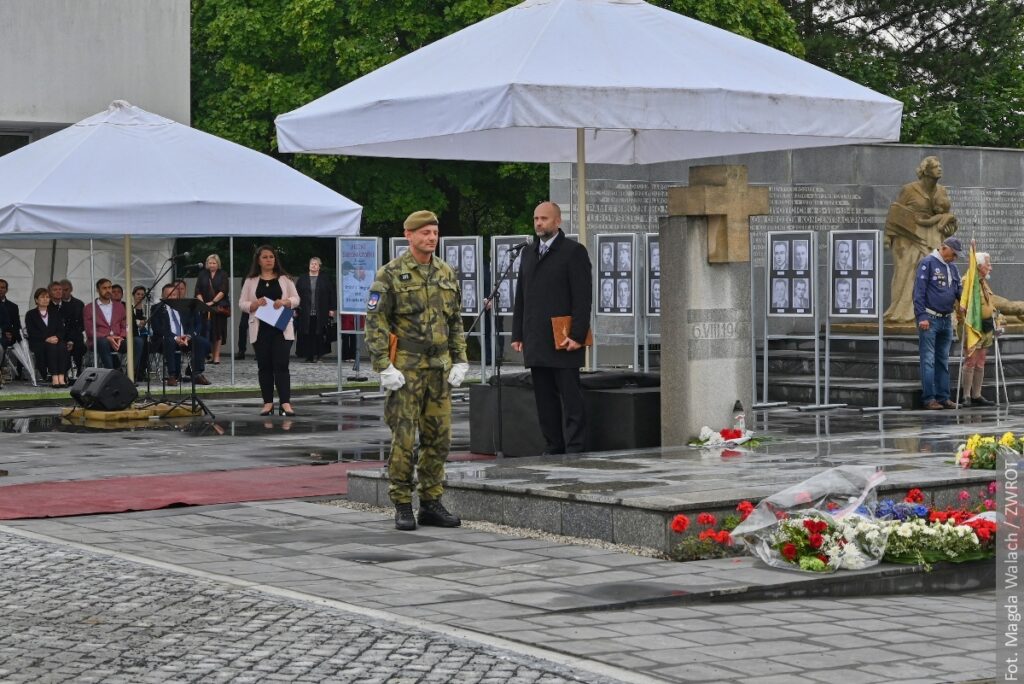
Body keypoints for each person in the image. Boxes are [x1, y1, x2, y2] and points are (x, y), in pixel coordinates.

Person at [365, 210, 468, 531]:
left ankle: (431, 502)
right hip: (406, 368)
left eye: (434, 232)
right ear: (408, 236)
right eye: (424, 232)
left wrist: (461, 358)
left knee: (440, 438)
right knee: (405, 439)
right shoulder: (390, 274)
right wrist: (383, 365)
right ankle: (401, 502)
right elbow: (376, 322)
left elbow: (455, 321)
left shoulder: (446, 272)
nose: (431, 238)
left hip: (439, 368)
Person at [512, 201, 592, 456]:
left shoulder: (573, 252)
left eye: (544, 218)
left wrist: (578, 336)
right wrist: (518, 333)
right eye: (536, 218)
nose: (538, 223)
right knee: (544, 400)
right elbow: (521, 295)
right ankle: (553, 446)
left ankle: (576, 448)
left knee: (570, 398)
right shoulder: (528, 253)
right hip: (537, 338)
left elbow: (582, 297)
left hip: (564, 338)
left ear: (557, 222)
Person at [884, 156, 959, 323]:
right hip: (907, 238)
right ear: (926, 170)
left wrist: (949, 224)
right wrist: (887, 237)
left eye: (940, 166)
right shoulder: (909, 189)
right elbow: (895, 212)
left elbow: (947, 218)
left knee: (933, 273)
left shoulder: (941, 190)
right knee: (905, 273)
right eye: (936, 167)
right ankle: (902, 311)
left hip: (931, 238)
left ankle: (929, 309)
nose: (940, 169)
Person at [240, 245, 299, 416]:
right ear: (258, 260)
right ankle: (267, 403)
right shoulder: (251, 281)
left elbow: (296, 299)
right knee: (264, 367)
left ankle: (285, 403)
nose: (268, 260)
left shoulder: (285, 279)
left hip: (281, 328)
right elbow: (242, 303)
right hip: (260, 330)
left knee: (281, 365)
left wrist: (285, 302)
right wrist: (254, 304)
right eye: (265, 257)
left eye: (271, 257)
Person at [913, 236, 963, 410]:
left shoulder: (953, 268)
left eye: (956, 255)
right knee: (928, 360)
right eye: (953, 254)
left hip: (946, 319)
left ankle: (943, 397)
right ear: (944, 248)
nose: (954, 257)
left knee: (943, 359)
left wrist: (963, 302)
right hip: (930, 318)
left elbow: (958, 290)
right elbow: (919, 292)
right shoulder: (928, 263)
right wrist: (921, 316)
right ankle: (929, 398)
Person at [151, 283, 212, 387]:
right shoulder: (156, 309)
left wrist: (188, 336)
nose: (172, 297)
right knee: (169, 341)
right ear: (163, 296)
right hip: (166, 339)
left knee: (201, 341)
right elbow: (157, 329)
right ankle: (172, 375)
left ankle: (196, 374)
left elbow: (193, 325)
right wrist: (175, 337)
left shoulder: (184, 307)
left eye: (174, 295)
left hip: (184, 338)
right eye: (169, 295)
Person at [961, 252, 996, 407]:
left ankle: (977, 395)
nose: (991, 268)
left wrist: (997, 319)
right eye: (988, 264)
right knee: (971, 361)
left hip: (987, 326)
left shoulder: (983, 282)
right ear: (980, 266)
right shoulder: (967, 282)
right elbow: (961, 306)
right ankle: (966, 396)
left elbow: (989, 304)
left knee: (981, 361)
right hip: (973, 327)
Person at [25, 287, 70, 388]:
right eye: (42, 297)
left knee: (62, 346)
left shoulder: (54, 313)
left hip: (55, 340)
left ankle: (61, 377)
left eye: (47, 297)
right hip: (39, 342)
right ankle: (54, 377)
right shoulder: (30, 314)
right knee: (52, 347)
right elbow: (32, 332)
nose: (45, 299)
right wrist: (46, 338)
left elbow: (61, 330)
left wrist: (57, 337)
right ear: (36, 300)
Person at [295, 257, 336, 363]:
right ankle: (308, 356)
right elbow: (296, 294)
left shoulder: (325, 279)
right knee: (307, 334)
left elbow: (331, 294)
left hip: (321, 311)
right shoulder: (302, 279)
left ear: (319, 266)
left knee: (320, 334)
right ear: (309, 265)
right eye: (312, 263)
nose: (313, 265)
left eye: (316, 264)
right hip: (305, 311)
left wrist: (332, 308)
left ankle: (319, 355)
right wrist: (295, 308)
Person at [83, 278, 127, 369]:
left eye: (109, 287)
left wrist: (121, 337)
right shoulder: (89, 308)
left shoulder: (120, 306)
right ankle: (110, 374)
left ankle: (134, 374)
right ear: (98, 290)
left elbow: (125, 325)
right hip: (99, 341)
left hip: (118, 339)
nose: (108, 290)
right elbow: (90, 331)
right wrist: (107, 337)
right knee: (103, 342)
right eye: (104, 288)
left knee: (138, 342)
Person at [194, 254, 230, 364]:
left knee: (218, 332)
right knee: (205, 330)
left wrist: (213, 302)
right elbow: (198, 290)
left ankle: (217, 356)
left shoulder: (223, 274)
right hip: (204, 307)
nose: (212, 265)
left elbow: (223, 290)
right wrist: (203, 303)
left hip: (218, 307)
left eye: (214, 263)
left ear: (218, 264)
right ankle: (206, 355)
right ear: (207, 264)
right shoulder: (202, 274)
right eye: (210, 263)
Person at [58, 279, 85, 376]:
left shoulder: (79, 304)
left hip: (76, 335)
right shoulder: (57, 305)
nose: (64, 292)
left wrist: (72, 339)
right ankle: (64, 372)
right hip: (61, 336)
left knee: (79, 346)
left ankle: (78, 371)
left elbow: (82, 324)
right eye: (61, 290)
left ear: (71, 289)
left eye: (66, 290)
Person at [0, 278, 21, 350]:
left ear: (6, 290)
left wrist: (12, 335)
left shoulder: (13, 307)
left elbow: (17, 326)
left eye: (2, 287)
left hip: (7, 338)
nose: (0, 289)